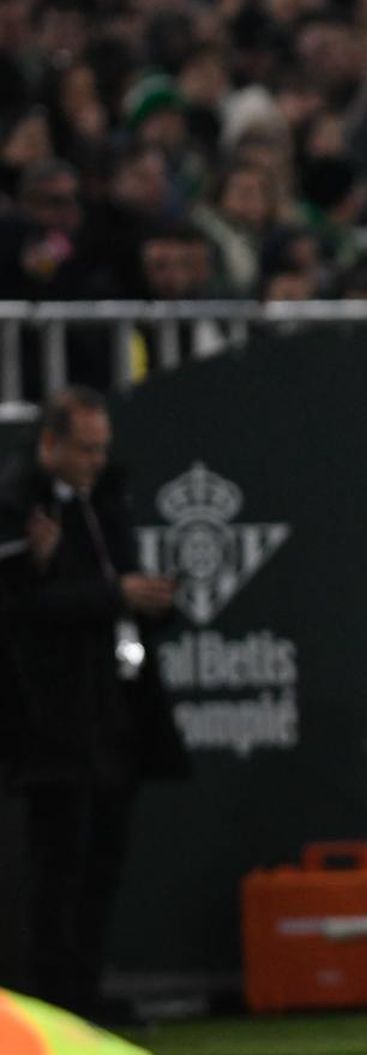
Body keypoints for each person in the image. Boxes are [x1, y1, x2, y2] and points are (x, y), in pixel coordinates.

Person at [0, 388, 188, 1022]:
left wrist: (152, 601)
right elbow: (23, 606)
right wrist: (110, 594)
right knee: (57, 866)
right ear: (49, 444)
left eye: (103, 448)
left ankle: (86, 992)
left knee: (102, 861)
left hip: (116, 708)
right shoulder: (17, 505)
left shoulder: (108, 503)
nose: (96, 461)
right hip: (51, 717)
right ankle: (50, 1003)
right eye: (85, 449)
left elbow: (114, 590)